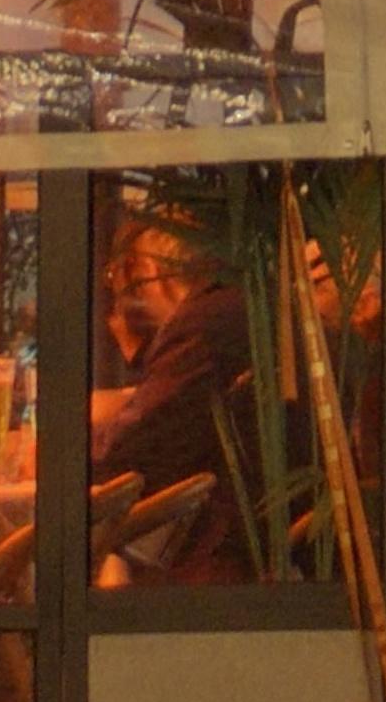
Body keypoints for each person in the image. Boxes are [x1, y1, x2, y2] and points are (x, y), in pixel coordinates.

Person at [90, 217, 260, 582]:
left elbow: (129, 453)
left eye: (122, 283)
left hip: (216, 557)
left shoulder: (202, 325)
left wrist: (60, 454)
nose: (124, 303)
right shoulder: (236, 306)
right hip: (252, 538)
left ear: (148, 270)